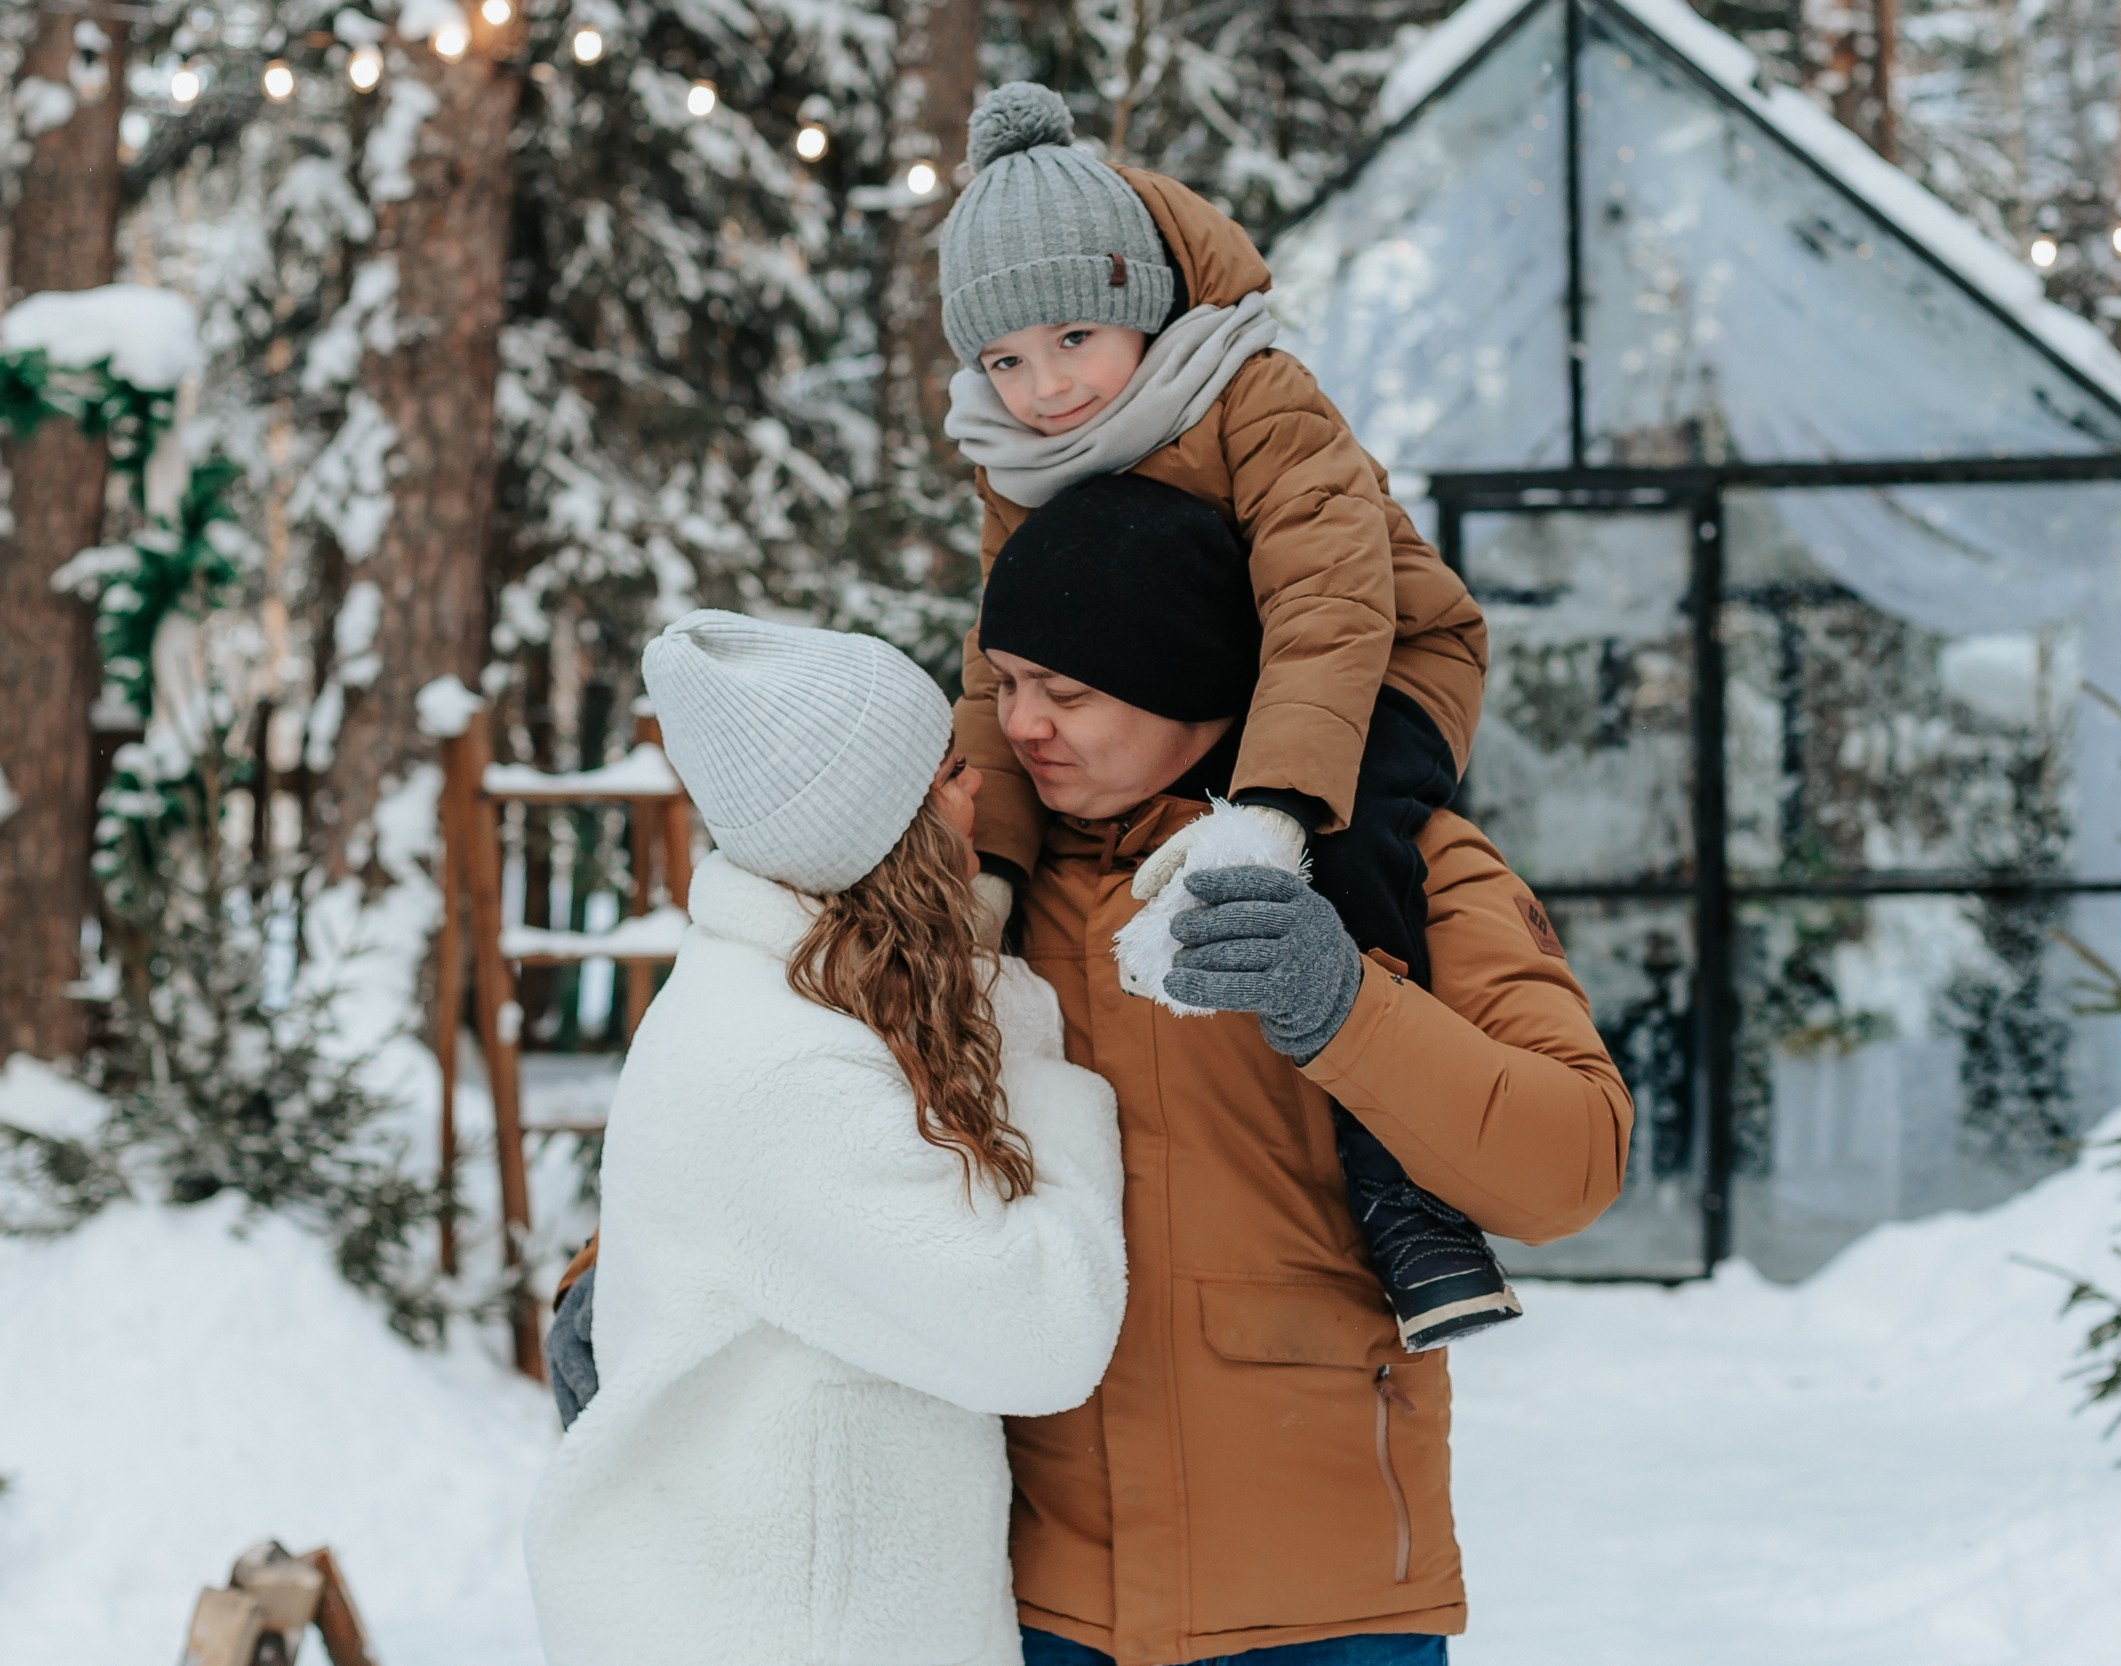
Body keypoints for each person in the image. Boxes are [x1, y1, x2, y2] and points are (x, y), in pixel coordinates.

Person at [974, 474, 1634, 1665]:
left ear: (1188, 676)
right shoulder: (980, 890)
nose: (1023, 724)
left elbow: (1572, 1164)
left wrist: (1346, 1007)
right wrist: (631, 1271)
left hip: (1326, 1601)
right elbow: (799, 1081)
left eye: (1064, 690)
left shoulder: (1401, 861)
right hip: (1034, 1597)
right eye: (1007, 682)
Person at [937, 82, 1512, 1350]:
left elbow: (1326, 601)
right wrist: (983, 867)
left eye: (1072, 338)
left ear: (1139, 302)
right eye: (1004, 360)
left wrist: (1272, 809)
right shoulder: (1019, 466)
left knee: (1347, 856)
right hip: (1213, 707)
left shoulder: (1250, 394)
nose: (1044, 389)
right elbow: (1002, 660)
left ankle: (1405, 1196)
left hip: (1378, 664)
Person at [525, 613, 1129, 1666]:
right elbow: (1043, 1331)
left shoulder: (793, 999)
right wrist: (1028, 1047)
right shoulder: (783, 1070)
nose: (978, 786)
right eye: (946, 772)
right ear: (882, 830)